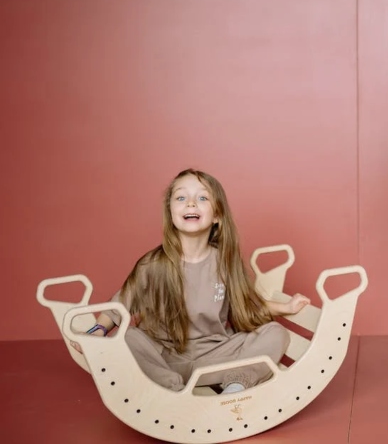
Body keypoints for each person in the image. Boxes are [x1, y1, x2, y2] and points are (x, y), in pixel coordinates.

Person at [72, 168, 310, 395]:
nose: (191, 203)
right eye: (181, 197)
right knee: (127, 337)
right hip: (165, 359)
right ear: (171, 213)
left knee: (275, 332)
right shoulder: (152, 264)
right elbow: (119, 305)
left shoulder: (225, 261)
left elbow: (246, 304)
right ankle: (171, 391)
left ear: (217, 215)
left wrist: (286, 307)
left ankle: (237, 385)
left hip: (217, 356)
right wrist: (97, 331)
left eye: (202, 198)